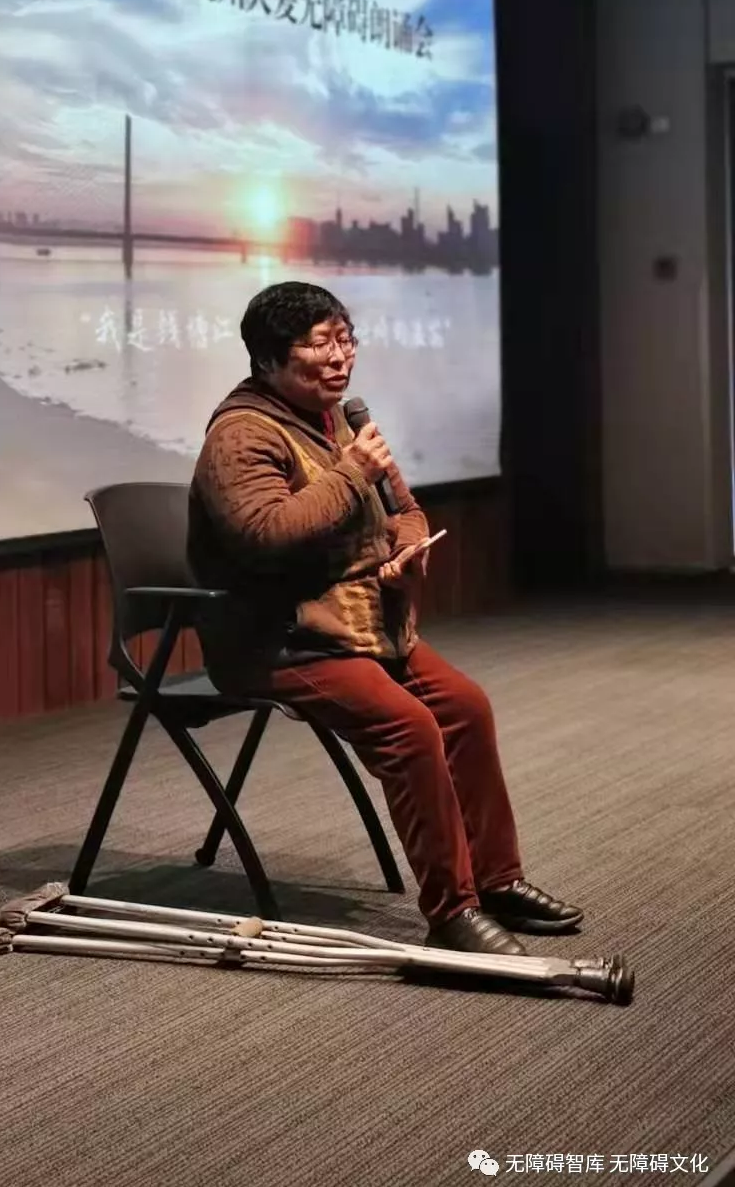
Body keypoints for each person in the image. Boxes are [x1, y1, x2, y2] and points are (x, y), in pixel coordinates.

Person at [188, 280, 582, 957]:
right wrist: (350, 474)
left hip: (364, 626)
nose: (340, 357)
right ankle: (452, 911)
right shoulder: (241, 435)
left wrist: (406, 550)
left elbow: (407, 511)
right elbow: (264, 535)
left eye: (345, 340)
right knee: (409, 727)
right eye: (320, 344)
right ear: (270, 360)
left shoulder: (339, 421)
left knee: (465, 707)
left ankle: (497, 880)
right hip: (280, 639)